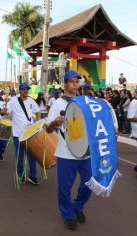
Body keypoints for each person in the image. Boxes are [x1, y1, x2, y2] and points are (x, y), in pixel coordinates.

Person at [46, 70, 91, 231]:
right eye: (72, 81)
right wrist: (55, 123)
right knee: (65, 187)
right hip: (66, 152)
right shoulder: (58, 103)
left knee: (89, 182)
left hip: (85, 152)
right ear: (65, 83)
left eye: (77, 82)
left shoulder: (83, 102)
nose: (75, 84)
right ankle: (67, 214)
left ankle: (77, 206)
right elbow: (48, 129)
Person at [6, 83, 40, 185]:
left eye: (27, 89)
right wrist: (4, 111)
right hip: (18, 134)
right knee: (19, 156)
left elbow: (38, 112)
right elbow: (6, 112)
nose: (26, 91)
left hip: (30, 134)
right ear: (19, 91)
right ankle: (21, 175)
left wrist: (37, 121)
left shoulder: (31, 101)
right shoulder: (13, 100)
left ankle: (32, 176)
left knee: (32, 156)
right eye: (23, 89)